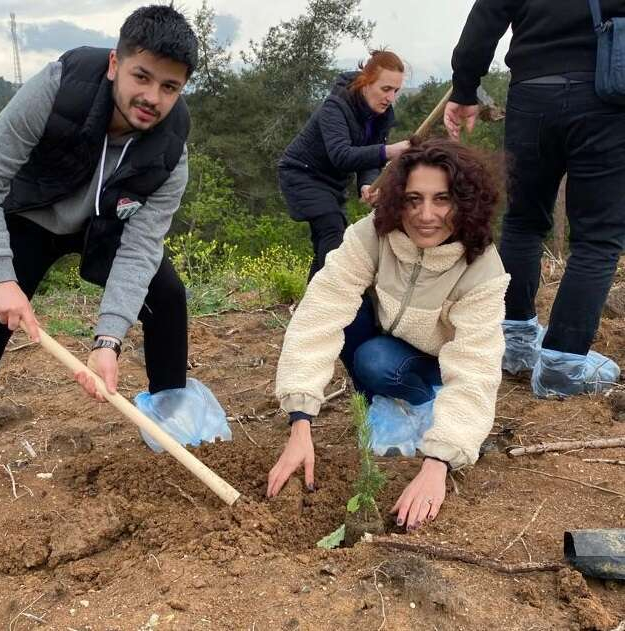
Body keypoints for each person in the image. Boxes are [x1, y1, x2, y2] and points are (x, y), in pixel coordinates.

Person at [0, 5, 198, 414]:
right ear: (116, 63)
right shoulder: (58, 87)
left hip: (104, 223)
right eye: (142, 76)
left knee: (167, 294)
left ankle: (170, 410)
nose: (153, 97)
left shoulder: (170, 153)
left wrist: (108, 341)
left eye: (169, 87)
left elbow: (140, 248)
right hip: (32, 213)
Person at [267, 138, 510, 531]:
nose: (425, 215)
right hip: (389, 335)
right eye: (413, 200)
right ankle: (378, 402)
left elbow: (475, 368)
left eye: (441, 199)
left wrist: (439, 462)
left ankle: (422, 404)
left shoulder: (481, 266)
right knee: (346, 309)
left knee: (375, 361)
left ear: (465, 201)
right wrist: (300, 419)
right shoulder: (373, 235)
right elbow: (320, 313)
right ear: (398, 199)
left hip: (435, 360)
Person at [444, 0, 624, 397]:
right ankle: (562, 368)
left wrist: (464, 87)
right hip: (604, 97)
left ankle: (515, 344)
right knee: (597, 239)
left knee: (524, 221)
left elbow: (487, 15)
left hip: (531, 96)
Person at [278, 50, 411, 279]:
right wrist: (391, 151)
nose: (390, 98)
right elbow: (342, 155)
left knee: (326, 242)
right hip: (302, 174)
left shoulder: (381, 115)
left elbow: (369, 160)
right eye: (385, 89)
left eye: (396, 91)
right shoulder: (335, 106)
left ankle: (313, 306)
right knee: (333, 234)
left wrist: (367, 185)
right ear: (366, 82)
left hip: (332, 183)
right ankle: (329, 304)